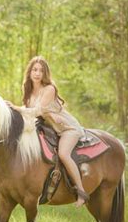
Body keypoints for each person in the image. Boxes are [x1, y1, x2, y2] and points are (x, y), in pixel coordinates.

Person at [21, 56, 89, 207]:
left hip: (66, 129)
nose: (37, 73)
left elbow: (37, 110)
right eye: (34, 69)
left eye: (41, 70)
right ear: (30, 72)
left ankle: (81, 192)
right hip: (50, 129)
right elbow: (30, 114)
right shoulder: (28, 90)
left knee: (64, 154)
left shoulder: (49, 89)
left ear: (45, 73)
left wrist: (15, 108)